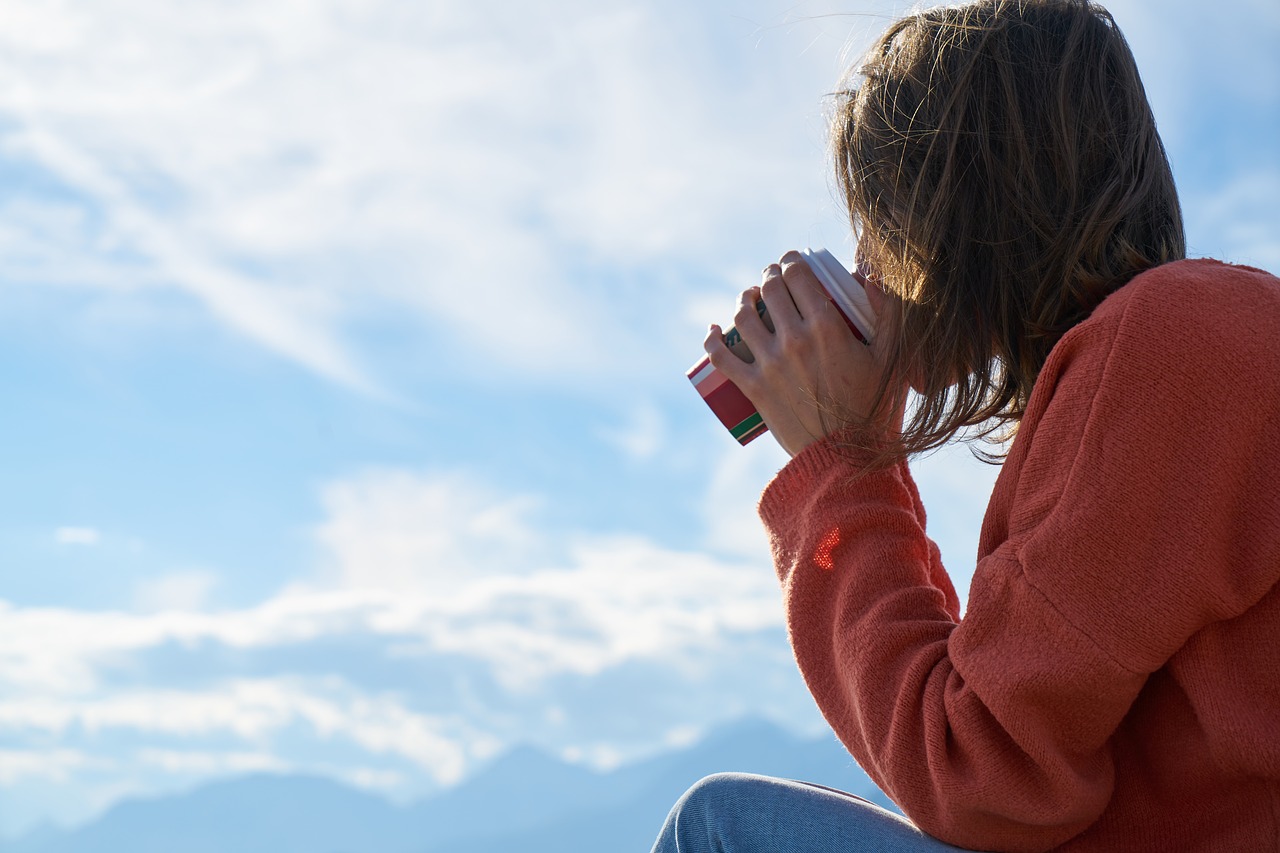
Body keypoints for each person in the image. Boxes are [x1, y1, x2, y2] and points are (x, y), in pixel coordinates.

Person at [651, 0, 1280, 851]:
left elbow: (983, 778)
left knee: (719, 826)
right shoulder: (1187, 346)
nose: (869, 267)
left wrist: (844, 459)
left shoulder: (1174, 344)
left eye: (883, 224)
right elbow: (994, 733)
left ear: (956, 211)